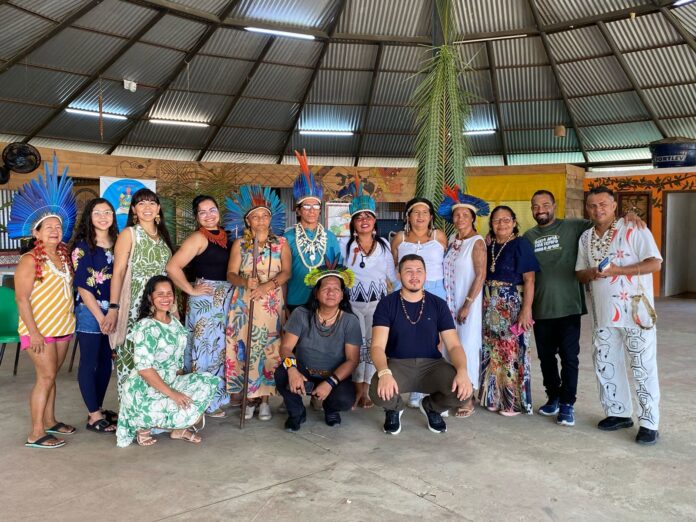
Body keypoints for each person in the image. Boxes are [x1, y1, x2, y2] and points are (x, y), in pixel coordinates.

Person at [523, 190, 645, 427]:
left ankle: (567, 404)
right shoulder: (529, 236)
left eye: (545, 204)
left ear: (554, 206)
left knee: (569, 358)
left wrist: (629, 215)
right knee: (546, 358)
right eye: (535, 206)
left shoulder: (574, 227)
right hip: (540, 306)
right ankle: (553, 397)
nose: (541, 209)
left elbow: (604, 220)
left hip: (570, 306)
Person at [575, 186, 662, 445]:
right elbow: (579, 273)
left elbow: (655, 263)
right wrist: (592, 273)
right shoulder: (586, 237)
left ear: (614, 206)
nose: (598, 209)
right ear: (587, 209)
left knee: (642, 366)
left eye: (603, 204)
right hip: (603, 315)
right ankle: (618, 412)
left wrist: (618, 271)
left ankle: (649, 423)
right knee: (606, 362)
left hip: (635, 312)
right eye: (592, 205)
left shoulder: (634, 228)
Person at [9, 155, 78, 448]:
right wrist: (34, 332)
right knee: (45, 376)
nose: (54, 230)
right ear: (36, 232)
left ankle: (50, 421)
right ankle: (36, 432)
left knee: (52, 376)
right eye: (47, 227)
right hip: (39, 330)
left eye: (57, 226)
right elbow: (21, 298)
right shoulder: (29, 260)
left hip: (63, 326)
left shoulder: (63, 255)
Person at [369, 254, 473, 435]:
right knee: (377, 392)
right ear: (399, 275)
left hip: (432, 366)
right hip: (398, 364)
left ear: (426, 275)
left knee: (463, 392)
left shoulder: (438, 304)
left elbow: (454, 346)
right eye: (408, 271)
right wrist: (384, 373)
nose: (414, 276)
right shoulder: (387, 304)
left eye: (419, 271)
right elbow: (377, 346)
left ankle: (432, 407)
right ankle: (395, 408)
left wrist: (463, 371)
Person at [116, 276, 220, 447]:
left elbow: (178, 361)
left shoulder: (175, 323)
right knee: (184, 406)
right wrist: (174, 394)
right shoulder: (146, 327)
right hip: (145, 387)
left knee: (207, 381)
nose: (165, 298)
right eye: (160, 294)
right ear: (150, 297)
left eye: (169, 293)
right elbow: (144, 370)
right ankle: (143, 425)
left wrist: (180, 386)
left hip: (170, 379)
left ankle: (177, 429)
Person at [225, 185, 291, 421]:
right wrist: (245, 282)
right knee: (246, 348)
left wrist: (266, 286)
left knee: (268, 349)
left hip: (270, 303)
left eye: (265, 215)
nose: (261, 220)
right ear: (248, 221)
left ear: (270, 219)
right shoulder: (240, 244)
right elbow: (230, 274)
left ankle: (264, 400)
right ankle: (249, 398)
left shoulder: (281, 243)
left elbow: (286, 272)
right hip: (244, 303)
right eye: (256, 216)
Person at [275, 259, 361, 431]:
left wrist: (330, 382)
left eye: (336, 289)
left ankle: (331, 409)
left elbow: (352, 360)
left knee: (344, 399)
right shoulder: (301, 314)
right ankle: (297, 413)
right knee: (282, 374)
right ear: (316, 293)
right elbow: (286, 348)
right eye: (326, 288)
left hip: (334, 375)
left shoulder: (350, 321)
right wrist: (292, 370)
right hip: (304, 372)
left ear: (342, 295)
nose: (331, 293)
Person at [105, 188, 174, 399]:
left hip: (161, 304)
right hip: (136, 304)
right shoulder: (129, 234)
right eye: (141, 203)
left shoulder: (163, 235)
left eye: (152, 203)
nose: (147, 207)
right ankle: (130, 408)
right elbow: (118, 273)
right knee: (134, 355)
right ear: (134, 209)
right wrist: (114, 308)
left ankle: (155, 407)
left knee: (159, 355)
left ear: (158, 208)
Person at [166, 195, 231, 418]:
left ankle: (215, 398)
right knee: (205, 350)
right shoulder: (198, 238)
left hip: (224, 300)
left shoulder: (226, 236)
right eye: (202, 212)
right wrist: (191, 289)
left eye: (212, 210)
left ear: (219, 211)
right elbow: (172, 267)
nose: (208, 215)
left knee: (219, 351)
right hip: (206, 300)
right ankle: (201, 401)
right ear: (196, 217)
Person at [340, 179, 398, 408]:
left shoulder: (383, 245)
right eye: (359, 217)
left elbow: (392, 276)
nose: (364, 220)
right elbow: (338, 275)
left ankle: (367, 391)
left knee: (374, 347)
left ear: (374, 221)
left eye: (368, 216)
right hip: (353, 305)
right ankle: (356, 391)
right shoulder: (344, 245)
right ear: (353, 223)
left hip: (378, 307)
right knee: (356, 346)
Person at [479, 206, 540, 416]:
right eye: (497, 220)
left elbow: (530, 279)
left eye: (506, 220)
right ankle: (493, 397)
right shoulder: (489, 245)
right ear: (491, 224)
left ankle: (512, 402)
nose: (502, 224)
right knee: (492, 352)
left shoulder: (521, 244)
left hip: (511, 305)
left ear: (514, 222)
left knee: (510, 352)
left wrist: (526, 310)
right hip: (490, 304)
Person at [391, 196, 448, 408]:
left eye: (425, 212)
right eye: (416, 212)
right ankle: (411, 389)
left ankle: (429, 390)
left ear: (431, 217)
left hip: (435, 290)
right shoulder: (400, 238)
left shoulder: (439, 236)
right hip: (406, 291)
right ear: (408, 216)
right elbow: (395, 266)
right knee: (408, 338)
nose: (420, 216)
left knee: (435, 340)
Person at [438, 186, 488, 418]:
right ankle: (453, 393)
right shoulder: (452, 239)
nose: (460, 218)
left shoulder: (477, 242)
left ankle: (468, 397)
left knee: (466, 346)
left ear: (473, 218)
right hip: (449, 302)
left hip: (467, 304)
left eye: (465, 215)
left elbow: (480, 275)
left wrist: (467, 304)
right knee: (450, 348)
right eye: (456, 215)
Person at [71, 198, 119, 434]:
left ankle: (97, 408)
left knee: (106, 364)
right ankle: (93, 416)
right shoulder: (82, 246)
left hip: (113, 311)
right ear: (89, 216)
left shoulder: (118, 243)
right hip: (91, 312)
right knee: (89, 363)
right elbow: (83, 287)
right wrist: (101, 318)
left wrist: (113, 312)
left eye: (107, 212)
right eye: (97, 212)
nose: (103, 217)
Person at [285, 149, 342, 313]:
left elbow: (336, 272)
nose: (312, 210)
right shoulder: (287, 237)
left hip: (322, 303)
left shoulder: (330, 237)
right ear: (298, 210)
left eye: (316, 206)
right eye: (306, 206)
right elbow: (282, 274)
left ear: (320, 209)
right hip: (294, 301)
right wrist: (283, 306)